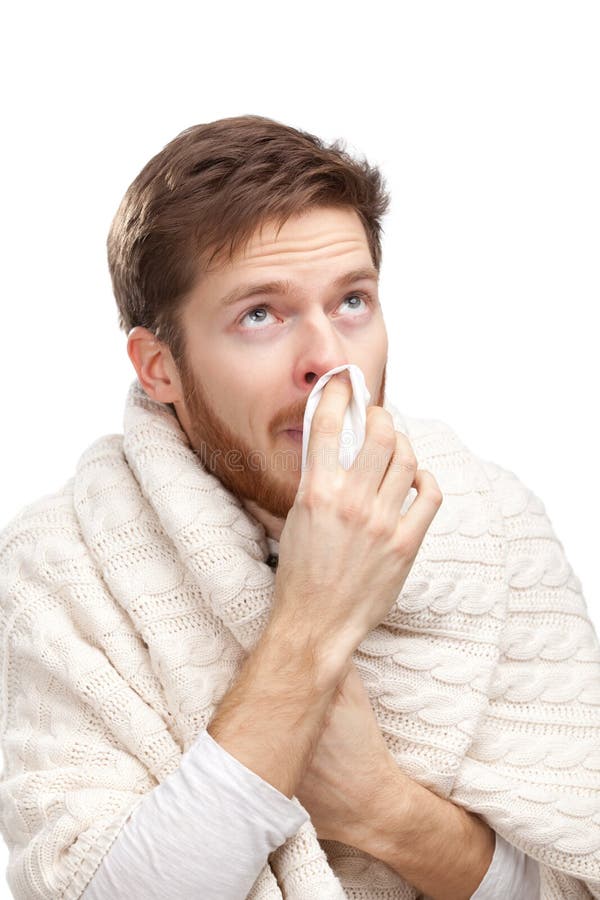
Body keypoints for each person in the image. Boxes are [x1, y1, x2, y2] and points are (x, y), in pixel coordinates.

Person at [0, 115, 598, 900]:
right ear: (159, 367)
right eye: (261, 314)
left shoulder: (495, 521)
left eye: (352, 301)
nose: (328, 359)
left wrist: (382, 809)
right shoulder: (59, 569)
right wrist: (310, 628)